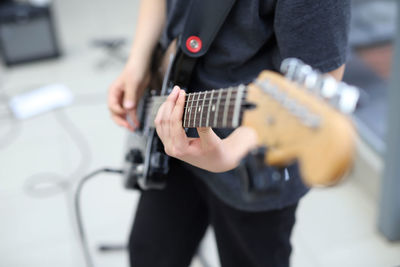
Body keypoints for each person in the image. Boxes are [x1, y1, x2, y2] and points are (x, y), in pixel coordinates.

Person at [108, 0, 350, 266]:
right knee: (148, 255)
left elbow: (320, 79)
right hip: (170, 137)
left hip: (255, 162)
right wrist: (137, 63)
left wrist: (231, 151)